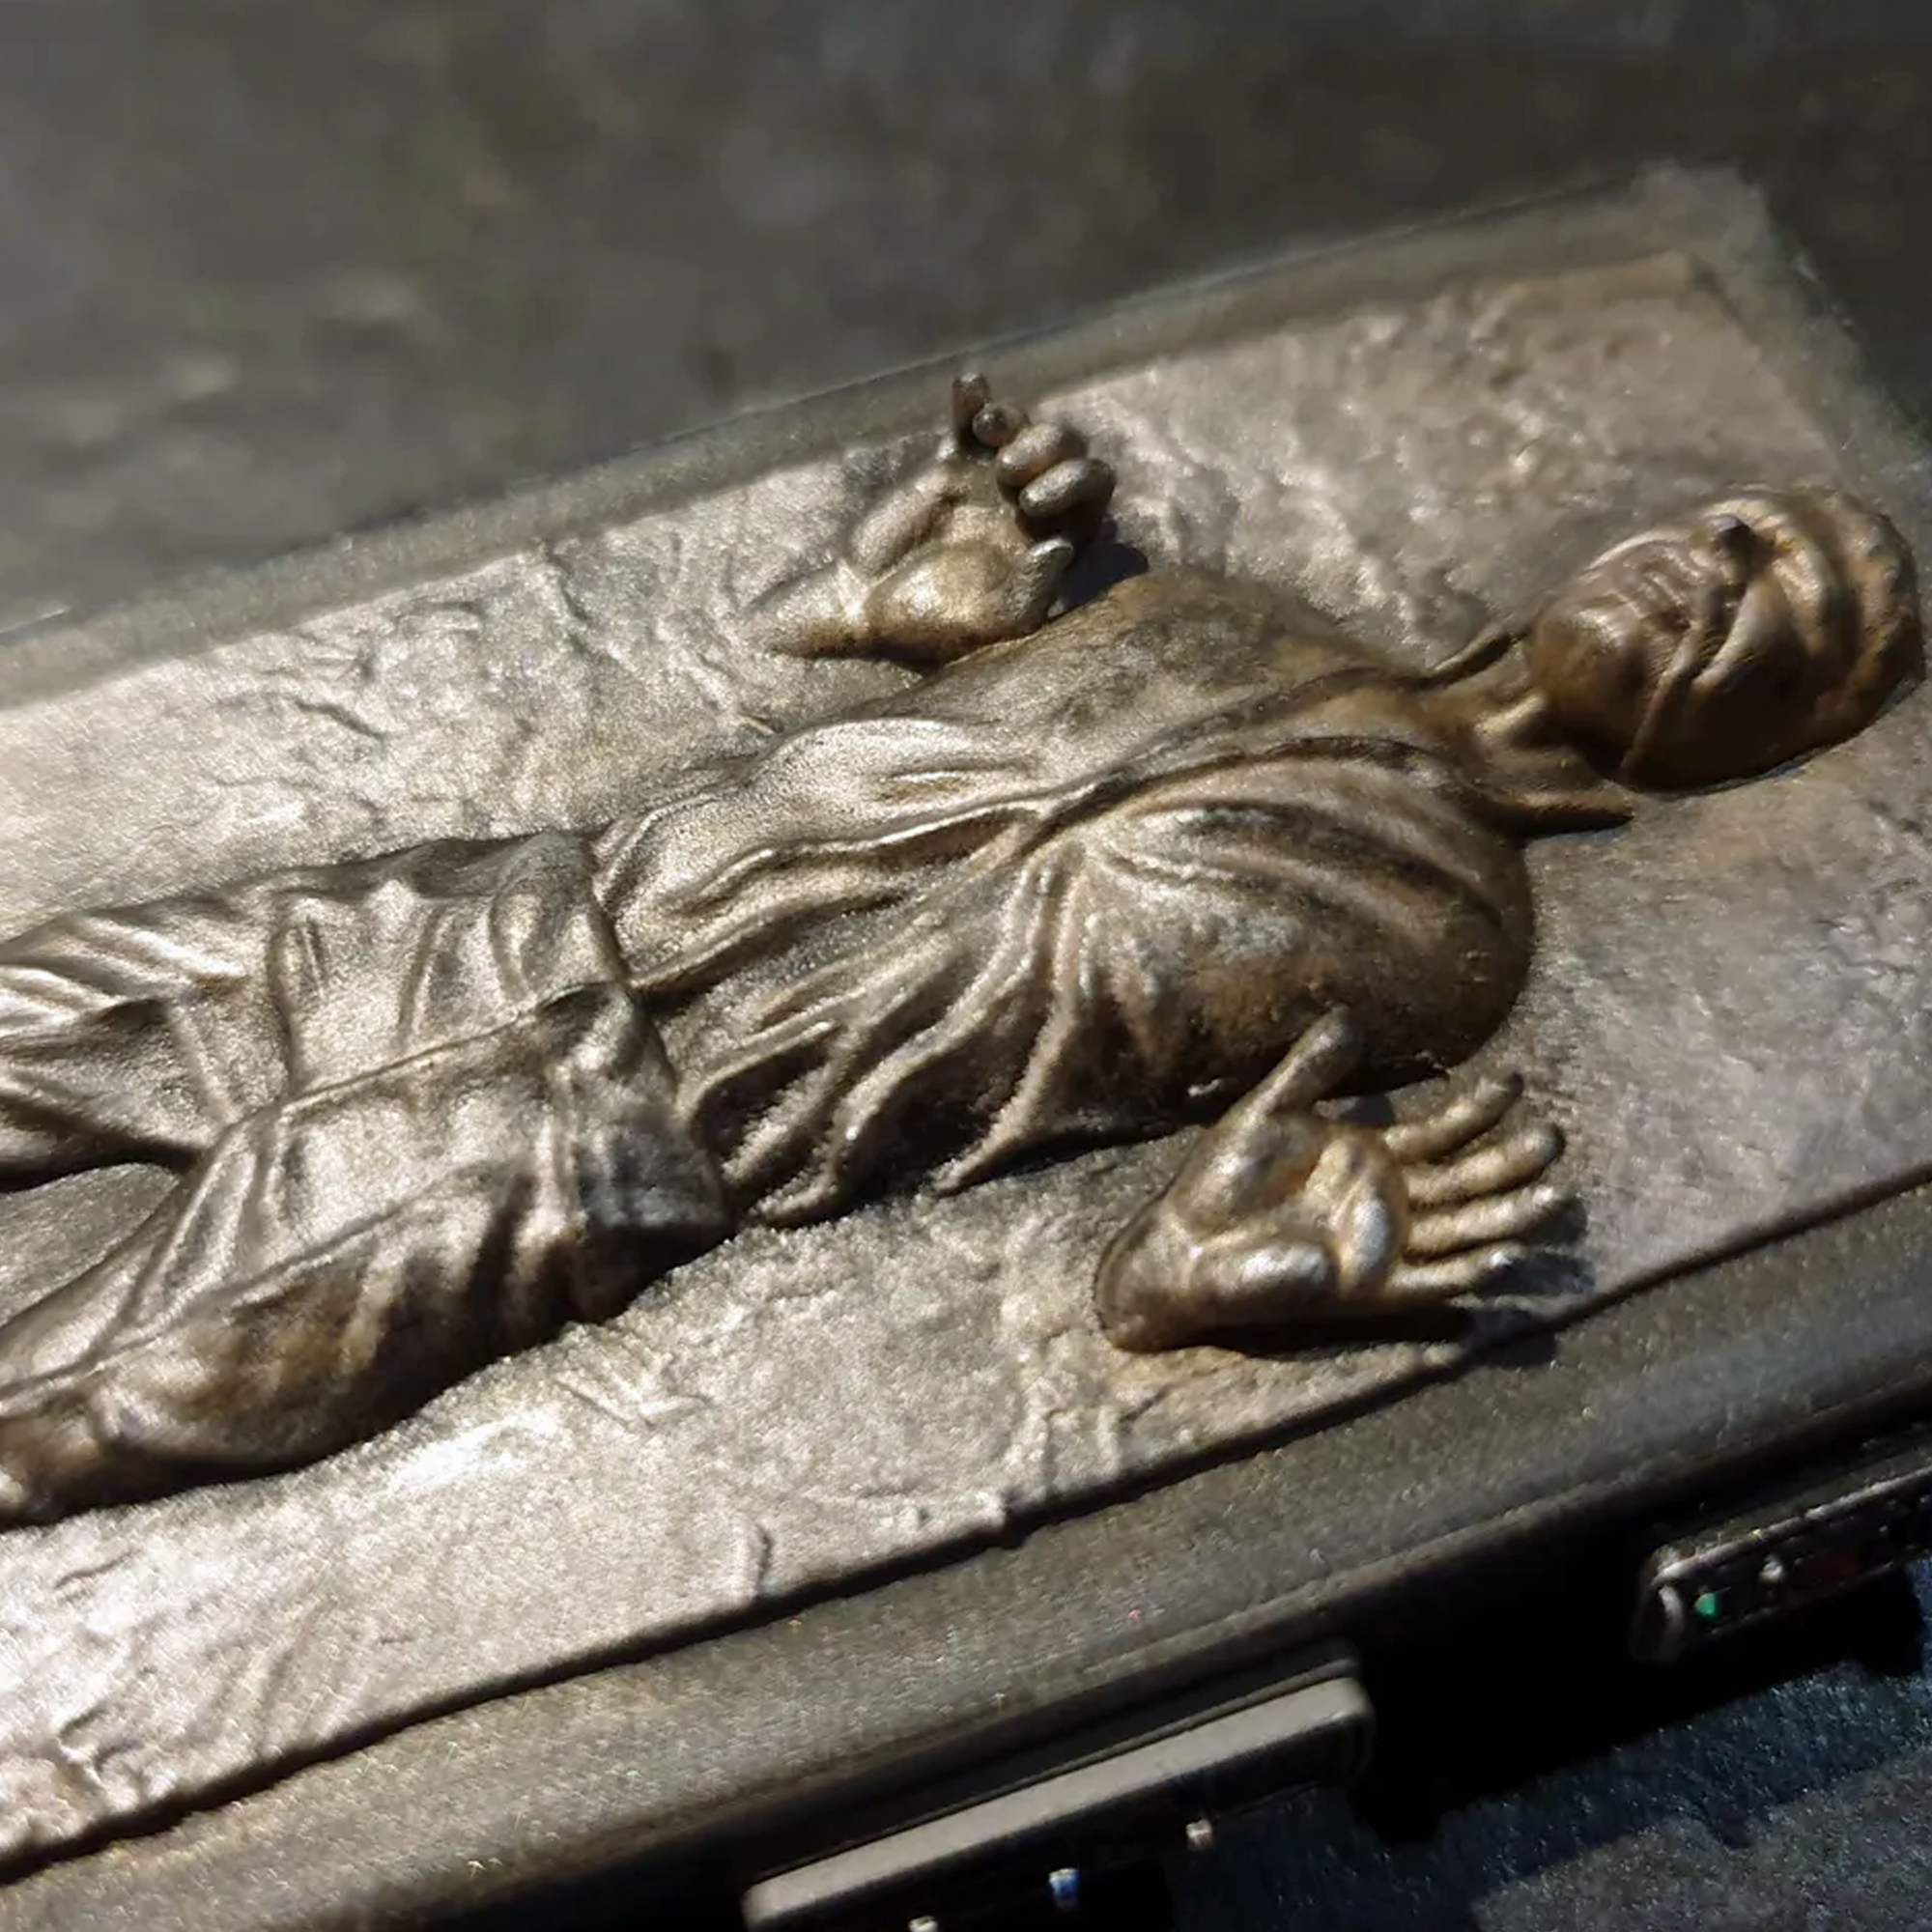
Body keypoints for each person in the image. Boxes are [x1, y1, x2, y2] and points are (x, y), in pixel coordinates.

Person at [0, 377, 1915, 1525]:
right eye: (1741, 530)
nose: (1719, 569)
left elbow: (1153, 1240)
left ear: (1759, 737)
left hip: (576, 1151)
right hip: (471, 922)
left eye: (1789, 608)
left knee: (53, 1424)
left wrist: (1187, 1280)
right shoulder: (1230, 612)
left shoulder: (1447, 942)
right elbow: (908, 703)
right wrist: (885, 616)